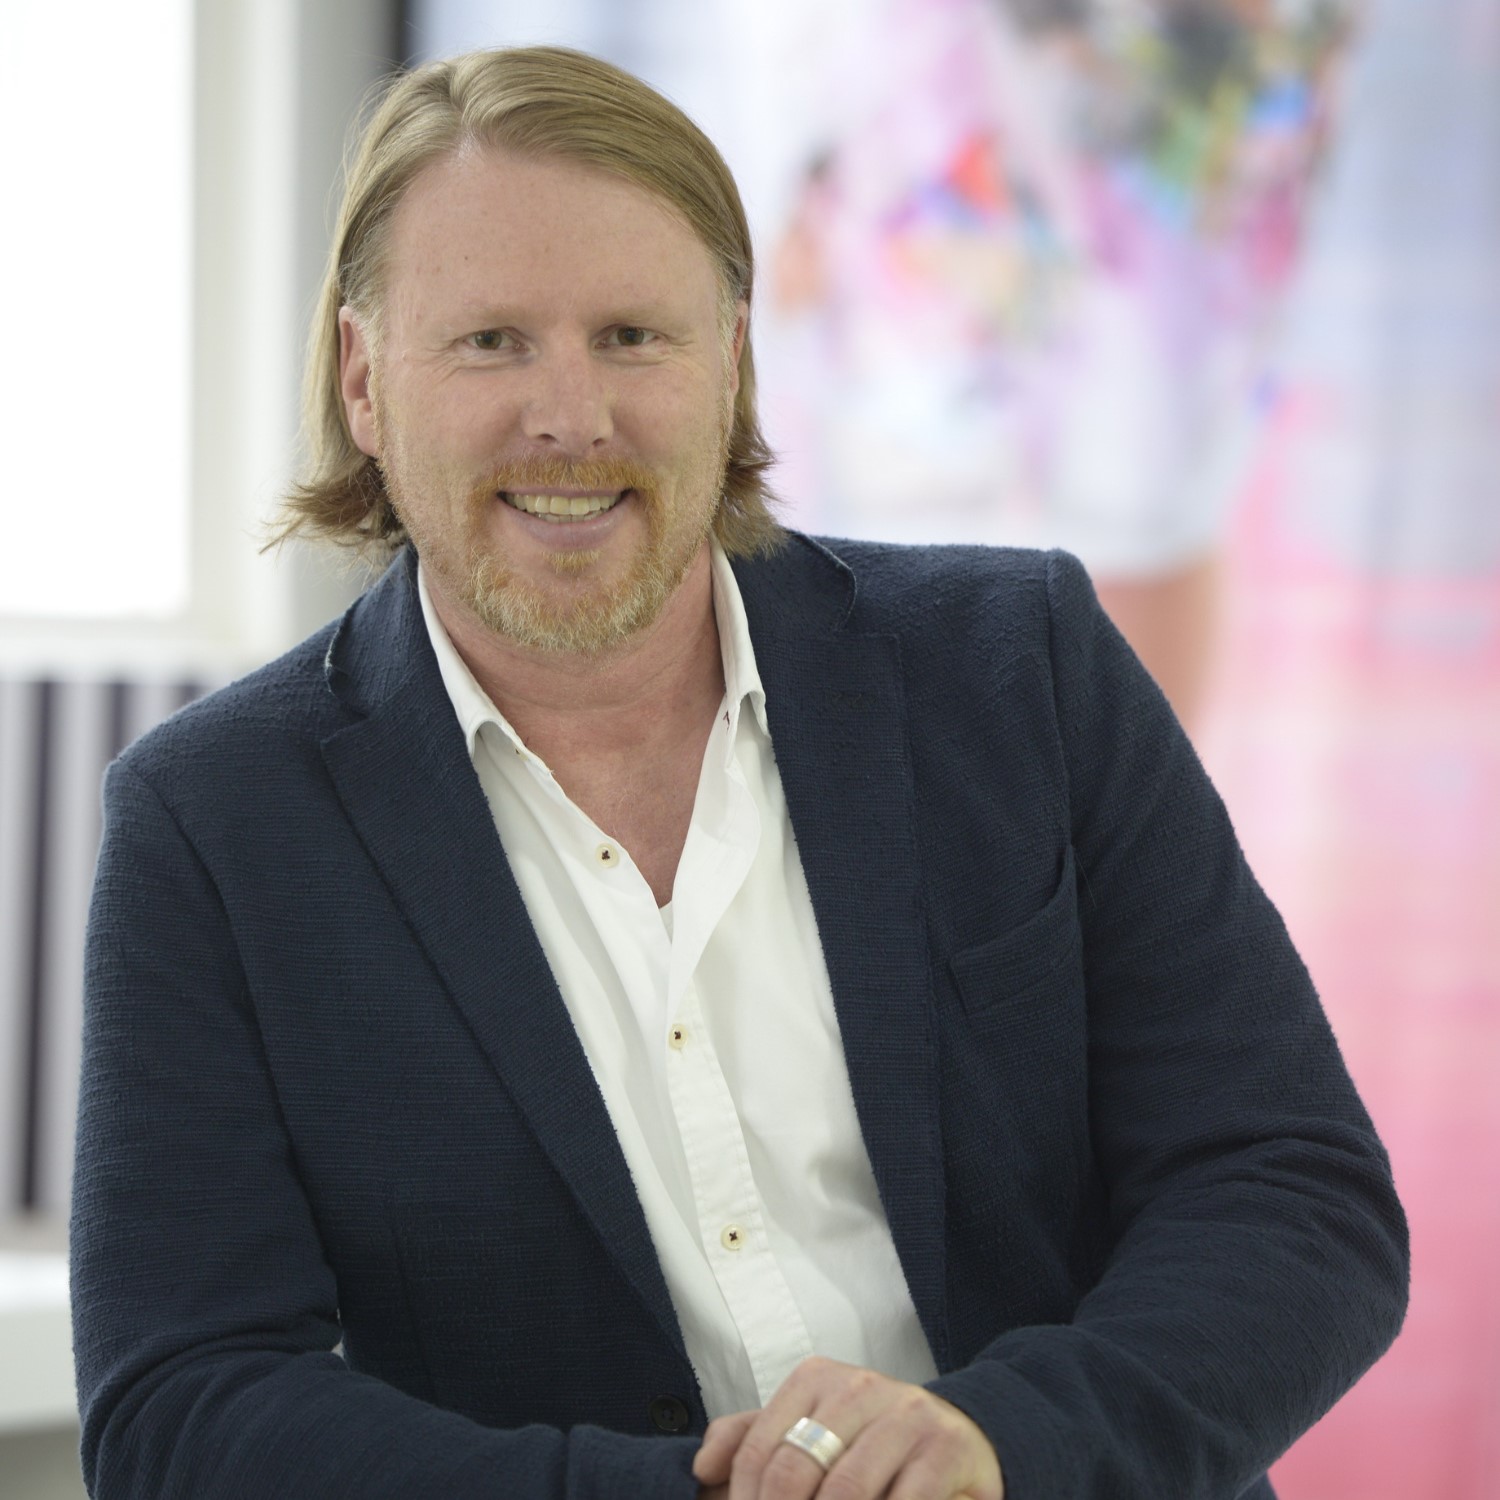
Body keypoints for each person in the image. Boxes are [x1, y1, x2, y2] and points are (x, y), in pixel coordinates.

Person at [70, 45, 1406, 1500]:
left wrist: (999, 1441)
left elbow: (1293, 1192)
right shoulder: (213, 823)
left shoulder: (1022, 665)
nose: (570, 416)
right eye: (491, 341)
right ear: (363, 380)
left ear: (734, 362)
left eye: (633, 336)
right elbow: (183, 1407)